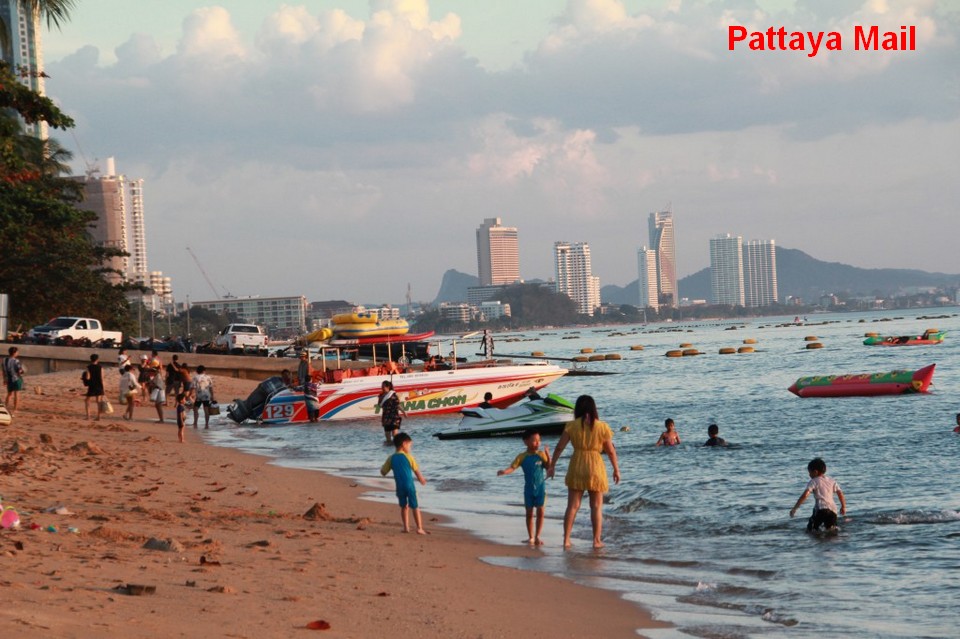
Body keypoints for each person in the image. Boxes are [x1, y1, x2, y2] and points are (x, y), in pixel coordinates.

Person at [547, 395, 621, 549]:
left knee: (572, 506)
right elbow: (611, 451)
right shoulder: (602, 427)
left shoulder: (571, 425)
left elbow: (559, 447)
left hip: (577, 464)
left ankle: (566, 540)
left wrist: (552, 465)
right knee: (596, 506)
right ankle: (596, 541)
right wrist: (616, 469)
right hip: (595, 466)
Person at [498, 429, 550, 545]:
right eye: (534, 440)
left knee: (541, 512)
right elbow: (513, 467)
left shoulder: (541, 455)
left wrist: (548, 455)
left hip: (541, 488)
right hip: (528, 489)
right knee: (529, 513)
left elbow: (549, 468)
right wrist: (505, 472)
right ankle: (530, 537)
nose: (537, 443)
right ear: (526, 441)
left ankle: (537, 536)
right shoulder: (522, 456)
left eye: (539, 440)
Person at [379, 432, 427, 534]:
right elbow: (416, 471)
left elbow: (383, 472)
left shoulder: (391, 458)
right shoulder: (409, 457)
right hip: (409, 486)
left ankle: (406, 528)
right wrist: (421, 479)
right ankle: (419, 528)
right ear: (404, 444)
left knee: (404, 506)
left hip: (399, 487)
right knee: (415, 506)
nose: (410, 448)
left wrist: (382, 469)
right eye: (410, 445)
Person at [790, 457, 847, 532]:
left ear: (815, 472)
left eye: (810, 472)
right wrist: (843, 507)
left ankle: (816, 538)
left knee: (811, 529)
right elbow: (840, 493)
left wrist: (795, 508)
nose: (809, 474)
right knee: (831, 530)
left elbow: (805, 495)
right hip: (833, 511)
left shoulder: (813, 481)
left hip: (821, 509)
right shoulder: (832, 481)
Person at [378, 380, 407, 444]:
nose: (382, 388)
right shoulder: (381, 396)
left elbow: (398, 404)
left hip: (394, 416)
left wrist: (404, 412)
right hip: (386, 417)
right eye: (381, 387)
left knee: (395, 434)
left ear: (388, 387)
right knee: (387, 436)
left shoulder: (393, 395)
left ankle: (397, 446)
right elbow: (380, 405)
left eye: (383, 386)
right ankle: (389, 446)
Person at [3, 346, 25, 416]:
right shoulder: (16, 361)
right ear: (14, 353)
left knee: (9, 394)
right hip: (16, 379)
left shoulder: (5, 360)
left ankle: (5, 407)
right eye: (17, 352)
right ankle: (15, 410)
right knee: (16, 394)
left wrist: (4, 379)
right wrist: (22, 371)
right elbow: (19, 371)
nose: (18, 353)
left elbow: (4, 371)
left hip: (9, 379)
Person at [83, 354, 105, 421]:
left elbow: (88, 377)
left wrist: (84, 379)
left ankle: (88, 416)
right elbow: (102, 378)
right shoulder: (100, 367)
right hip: (99, 385)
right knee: (98, 401)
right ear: (97, 359)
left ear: (91, 359)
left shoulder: (88, 367)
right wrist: (103, 388)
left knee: (87, 400)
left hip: (92, 385)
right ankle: (98, 416)